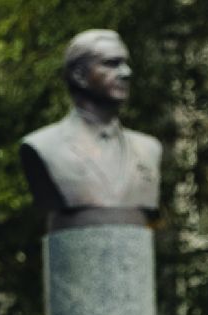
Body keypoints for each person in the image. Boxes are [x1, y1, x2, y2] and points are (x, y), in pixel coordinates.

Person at [20, 30, 162, 221]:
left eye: (125, 64)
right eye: (111, 64)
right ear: (79, 75)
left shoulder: (149, 149)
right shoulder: (44, 146)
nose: (126, 73)